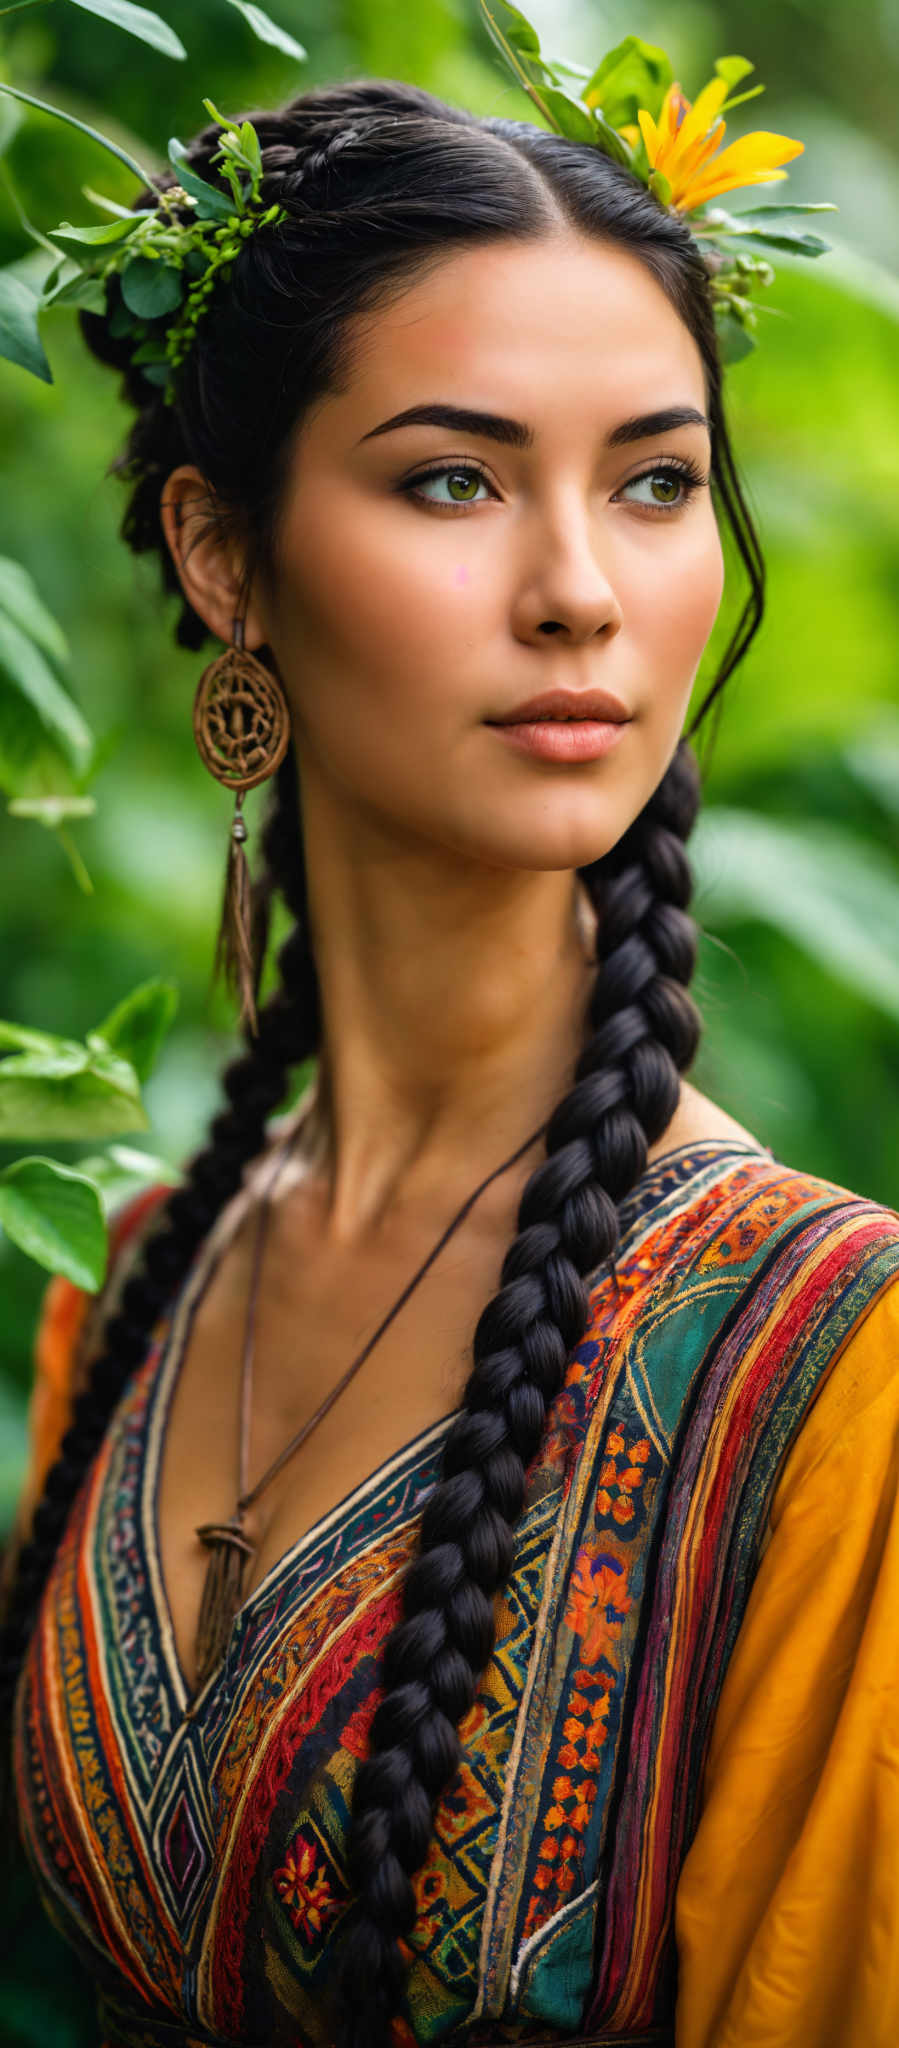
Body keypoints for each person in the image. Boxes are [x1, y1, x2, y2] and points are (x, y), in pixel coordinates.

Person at [2, 71, 898, 2048]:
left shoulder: (835, 1366)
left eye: (657, 481)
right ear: (224, 555)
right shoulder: (134, 1286)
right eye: (454, 478)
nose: (583, 585)